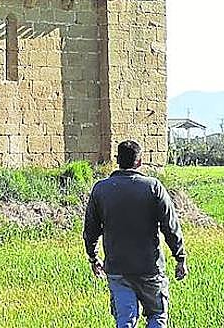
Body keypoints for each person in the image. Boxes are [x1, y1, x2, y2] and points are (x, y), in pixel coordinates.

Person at [84, 140, 188, 328]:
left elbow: (90, 231)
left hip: (117, 269)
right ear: (139, 162)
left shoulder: (101, 189)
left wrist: (93, 257)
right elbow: (170, 227)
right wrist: (180, 257)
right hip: (150, 268)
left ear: (117, 160)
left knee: (125, 321)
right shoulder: (153, 187)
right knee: (157, 316)